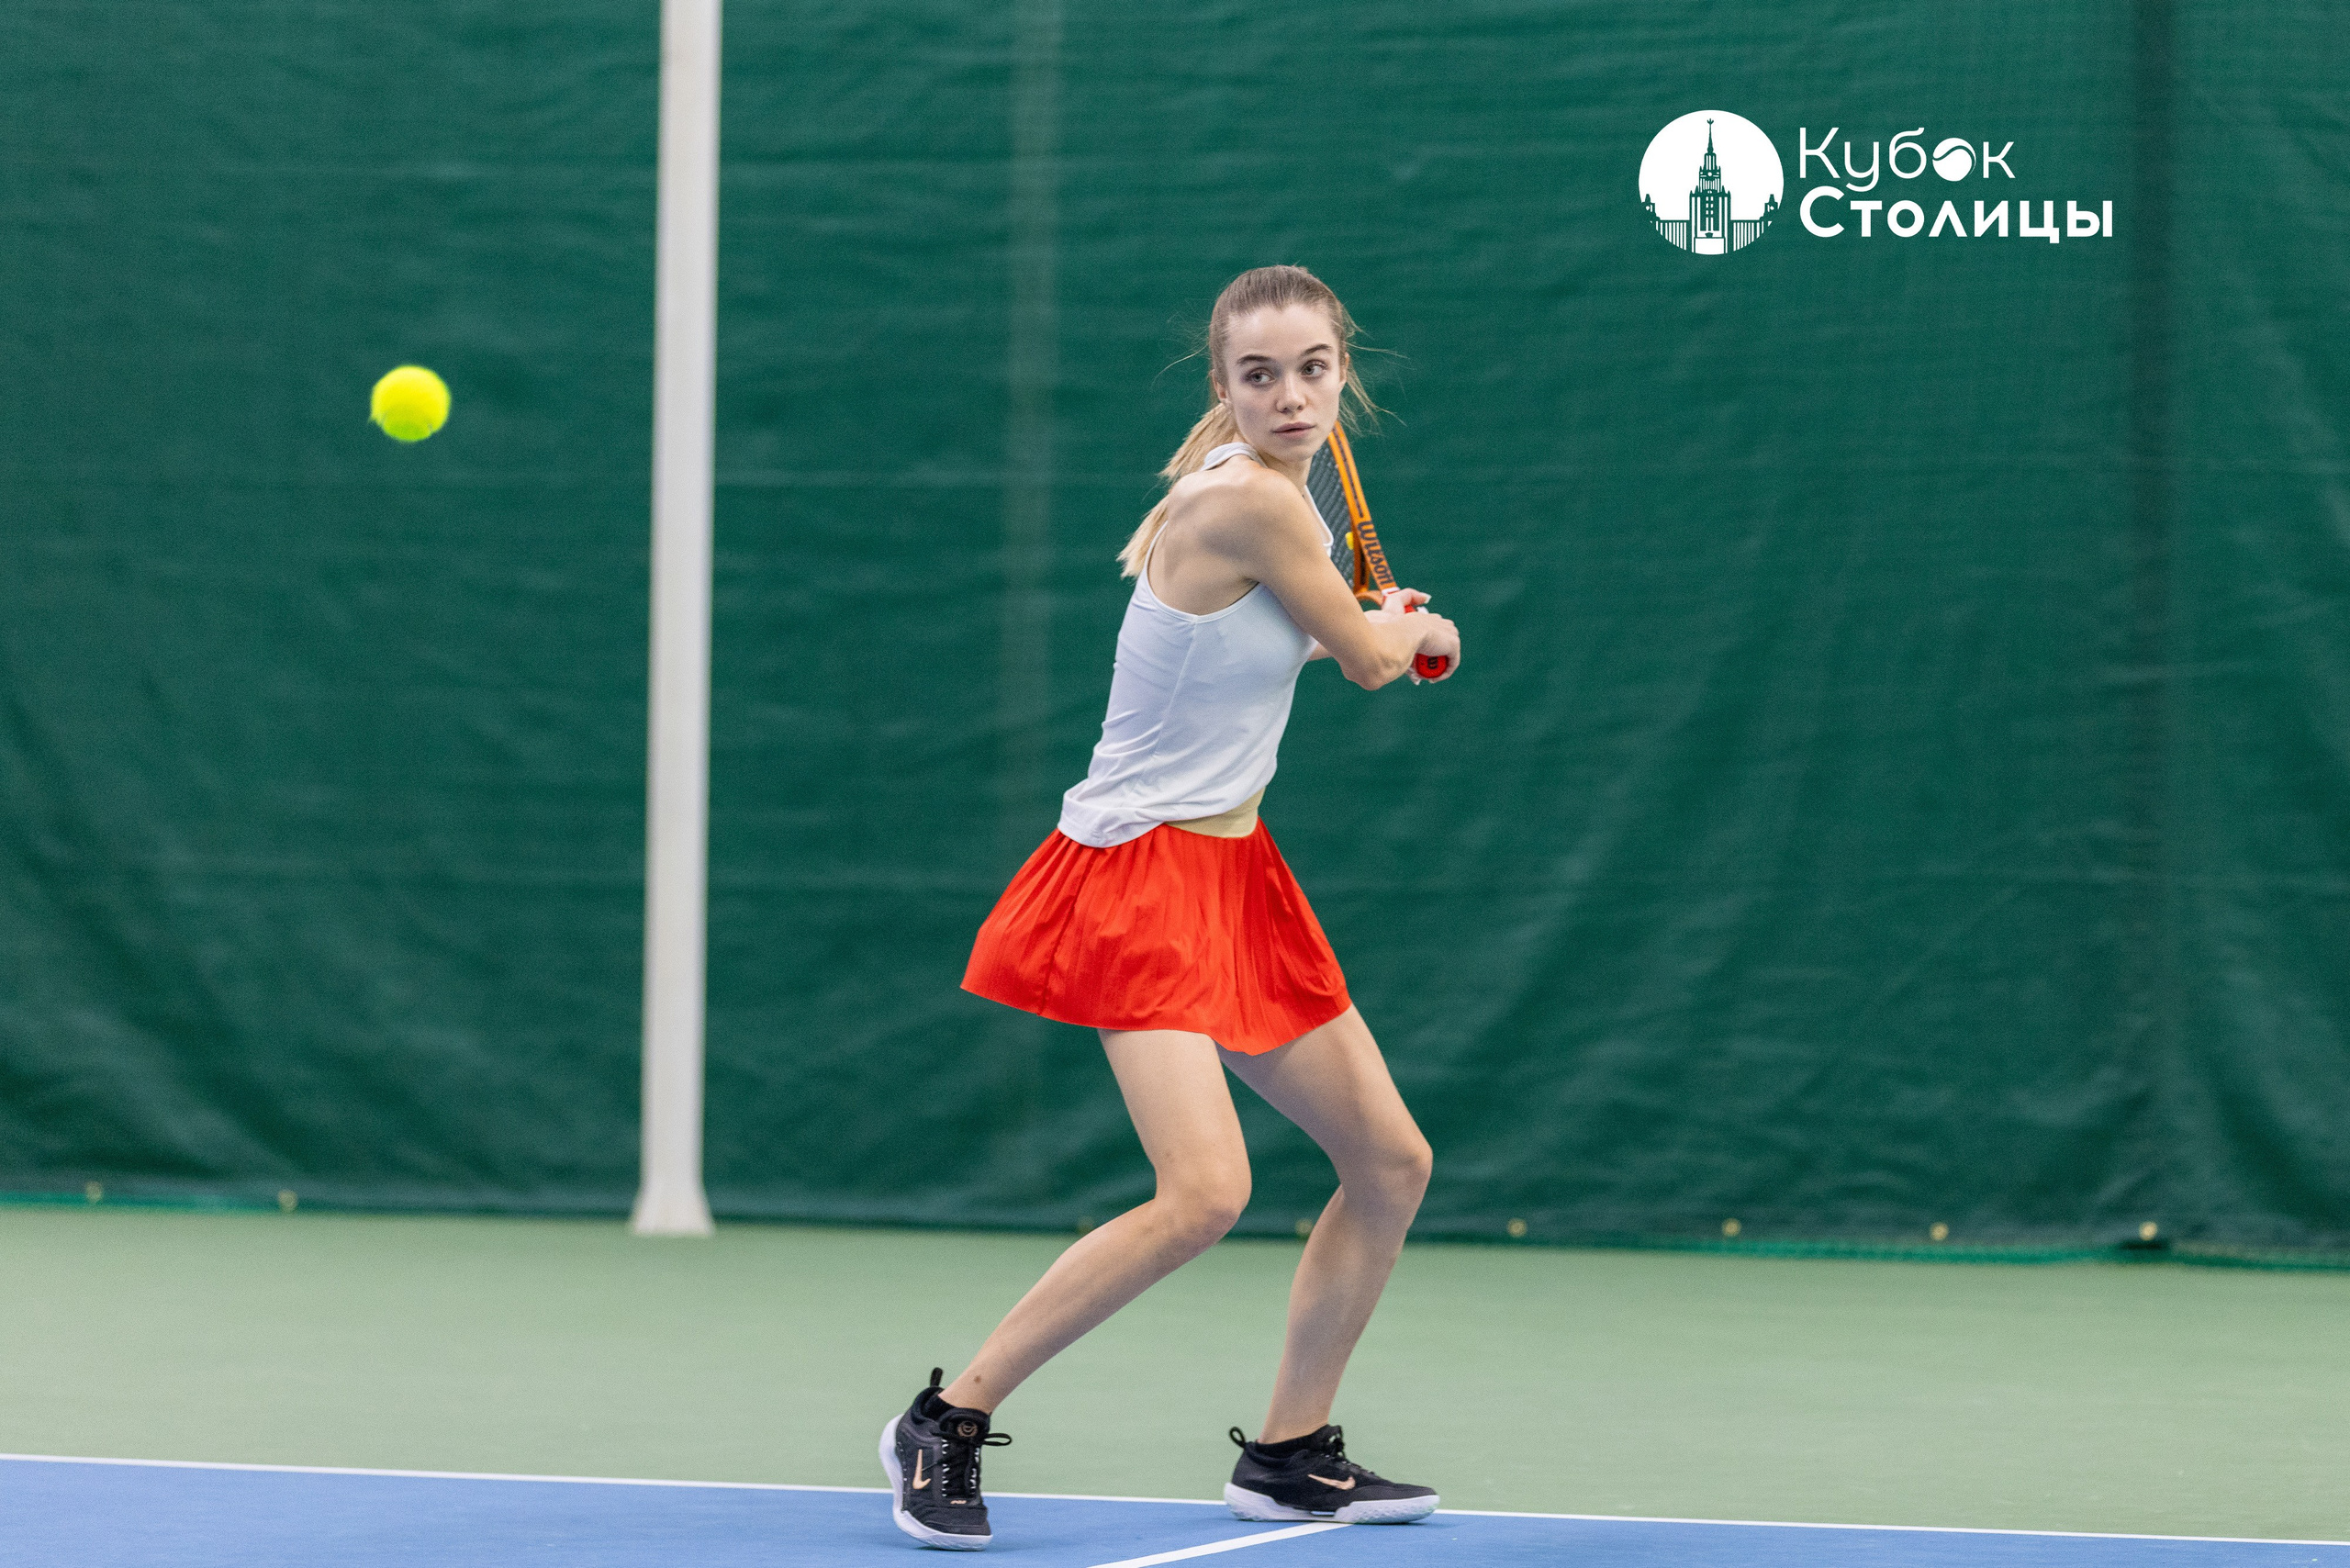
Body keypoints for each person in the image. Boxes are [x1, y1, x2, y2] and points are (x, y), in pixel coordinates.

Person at [879, 264, 1462, 1551]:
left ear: (1340, 370)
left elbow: (1278, 648)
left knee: (1390, 1163)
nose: (1291, 392)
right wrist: (1417, 634)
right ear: (1226, 387)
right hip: (1138, 876)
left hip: (1235, 871)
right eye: (1260, 374)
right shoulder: (1253, 505)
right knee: (1202, 1193)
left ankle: (1292, 1450)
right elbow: (1371, 660)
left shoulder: (1278, 505)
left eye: (1313, 367)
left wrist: (1368, 629)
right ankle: (947, 1420)